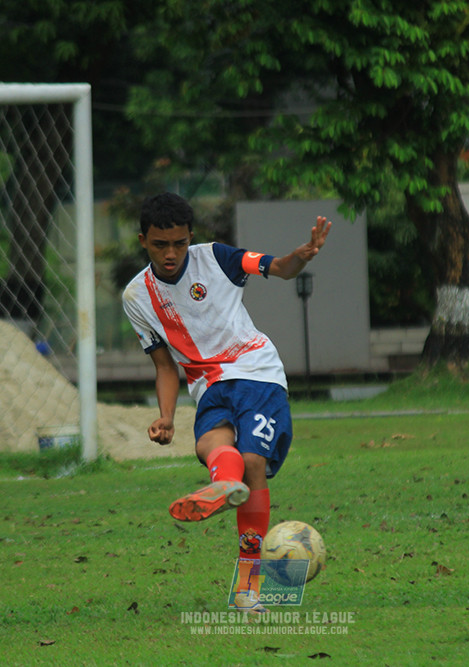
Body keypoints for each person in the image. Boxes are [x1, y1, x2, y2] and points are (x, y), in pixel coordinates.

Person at [121, 192, 331, 611]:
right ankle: (225, 485)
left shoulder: (216, 257)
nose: (171, 253)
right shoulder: (136, 298)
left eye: (179, 243)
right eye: (160, 245)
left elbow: (279, 268)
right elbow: (165, 366)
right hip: (208, 387)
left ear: (190, 238)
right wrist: (166, 416)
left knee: (252, 463)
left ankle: (247, 588)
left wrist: (301, 256)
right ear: (143, 240)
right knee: (209, 447)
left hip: (256, 374)